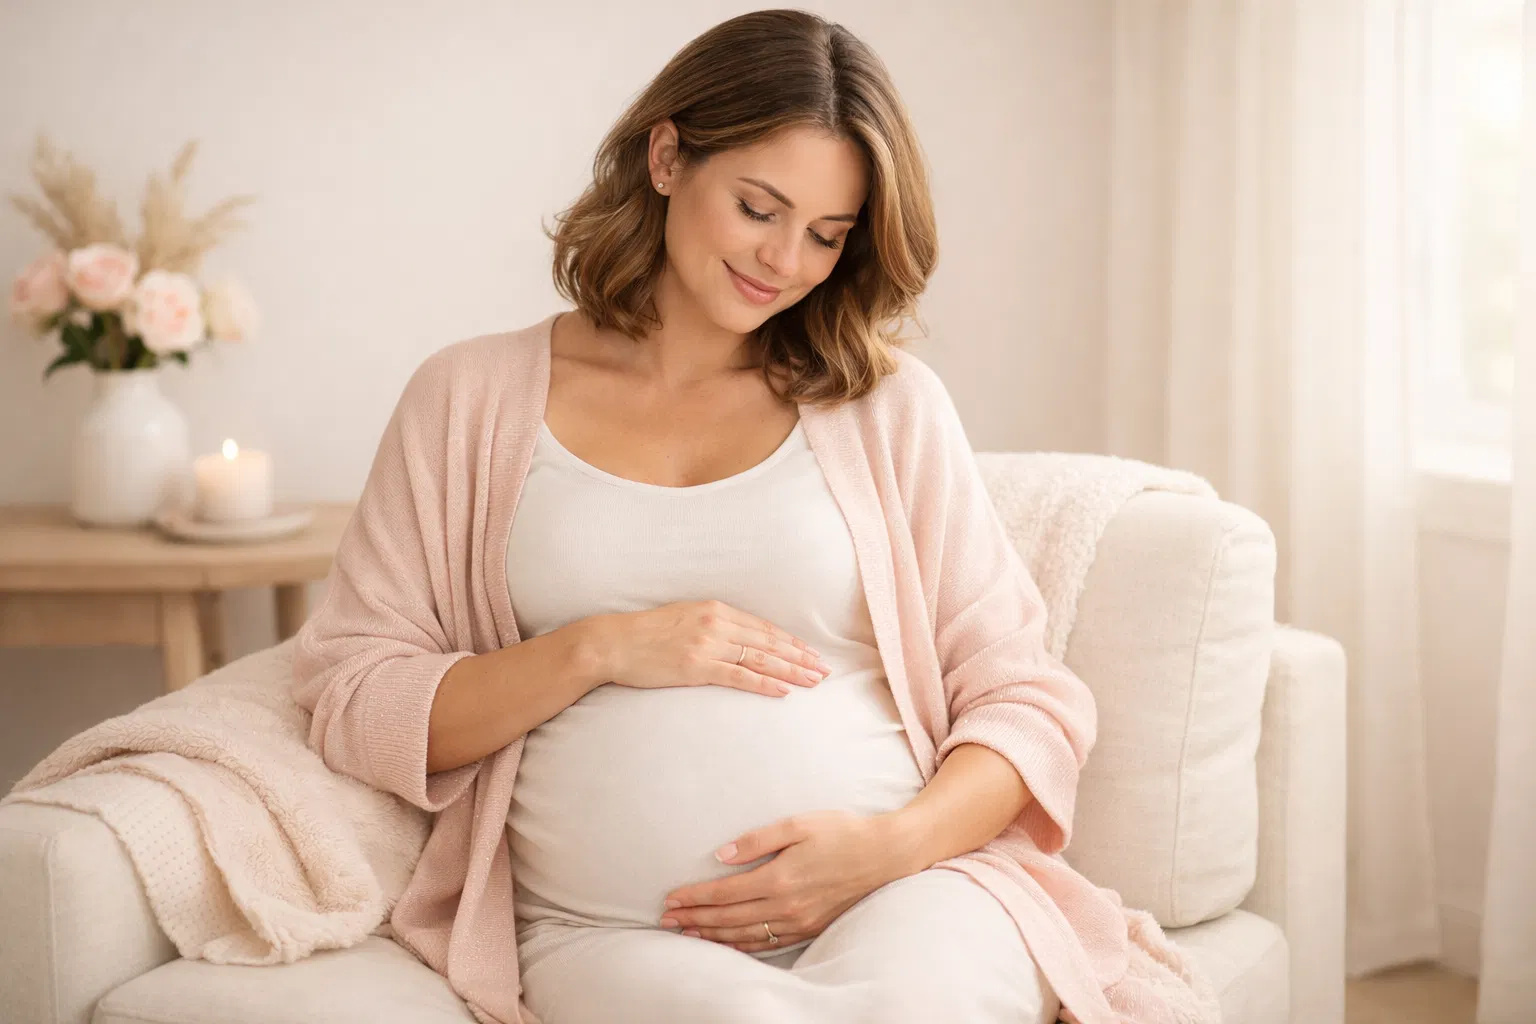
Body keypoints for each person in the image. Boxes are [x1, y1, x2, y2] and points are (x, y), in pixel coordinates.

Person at [292, 9, 1211, 1024]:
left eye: (826, 234)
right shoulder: (469, 397)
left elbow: (1025, 697)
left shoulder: (884, 405)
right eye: (759, 208)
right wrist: (597, 648)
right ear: (667, 156)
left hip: (906, 895)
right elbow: (354, 690)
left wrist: (884, 850)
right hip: (612, 935)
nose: (785, 261)